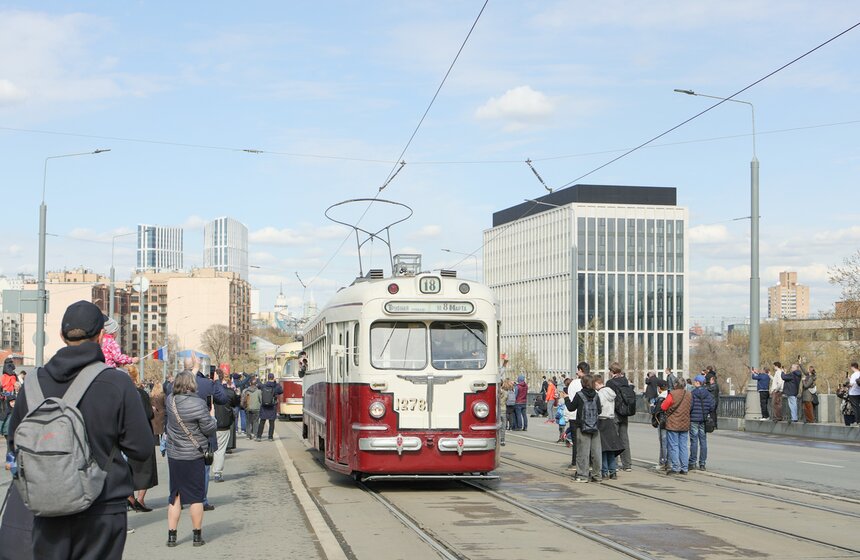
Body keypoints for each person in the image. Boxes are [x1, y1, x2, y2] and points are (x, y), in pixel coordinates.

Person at [6, 300, 153, 559]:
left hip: (46, 505)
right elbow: (141, 447)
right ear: (100, 336)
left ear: (62, 336)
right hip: (102, 507)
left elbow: (15, 444)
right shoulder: (117, 382)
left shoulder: (32, 383)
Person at [165, 370, 217, 547]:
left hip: (175, 455)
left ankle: (172, 537)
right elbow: (209, 429)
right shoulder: (198, 403)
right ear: (192, 384)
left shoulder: (170, 400)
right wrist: (212, 415)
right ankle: (196, 537)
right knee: (196, 496)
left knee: (175, 495)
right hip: (194, 454)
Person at [125, 364, 158, 512]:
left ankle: (130, 498)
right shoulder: (141, 393)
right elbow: (148, 414)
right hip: (142, 434)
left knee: (128, 468)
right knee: (146, 468)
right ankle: (140, 499)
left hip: (125, 435)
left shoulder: (120, 393)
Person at [563, 374, 602, 482]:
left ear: (582, 383)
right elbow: (599, 410)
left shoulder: (579, 395)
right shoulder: (596, 394)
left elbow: (571, 408)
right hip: (595, 427)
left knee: (582, 452)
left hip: (582, 426)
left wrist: (566, 398)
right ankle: (597, 475)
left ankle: (582, 475)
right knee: (596, 452)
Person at [594, 376, 623, 480]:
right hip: (611, 420)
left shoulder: (600, 393)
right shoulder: (611, 392)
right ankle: (613, 471)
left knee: (603, 448)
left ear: (597, 383)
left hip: (602, 420)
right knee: (611, 448)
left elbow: (598, 406)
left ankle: (604, 471)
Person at [605, 362, 633, 472]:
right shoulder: (625, 381)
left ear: (612, 371)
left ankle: (614, 464)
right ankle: (627, 464)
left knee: (613, 438)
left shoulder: (610, 383)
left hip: (614, 412)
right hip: (624, 413)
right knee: (624, 438)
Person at [212, 370, 240, 482]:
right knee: (220, 450)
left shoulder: (208, 391)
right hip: (224, 424)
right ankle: (217, 473)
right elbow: (235, 404)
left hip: (208, 424)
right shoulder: (229, 392)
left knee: (208, 450)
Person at [661, 379, 691, 475]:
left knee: (673, 446)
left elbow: (663, 406)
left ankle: (675, 467)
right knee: (683, 446)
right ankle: (684, 468)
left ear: (676, 385)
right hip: (685, 423)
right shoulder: (689, 394)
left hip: (673, 423)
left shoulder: (672, 394)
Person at [688, 375, 715, 471]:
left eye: (695, 381)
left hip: (694, 420)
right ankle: (702, 463)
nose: (694, 382)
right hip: (703, 420)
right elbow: (712, 407)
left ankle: (692, 462)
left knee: (694, 441)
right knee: (703, 442)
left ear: (697, 382)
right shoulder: (708, 394)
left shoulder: (693, 393)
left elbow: (690, 407)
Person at [256, 373, 283, 441]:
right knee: (271, 422)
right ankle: (270, 437)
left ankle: (259, 436)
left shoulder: (264, 385)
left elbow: (258, 386)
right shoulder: (276, 386)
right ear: (273, 378)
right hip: (272, 406)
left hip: (264, 406)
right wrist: (276, 383)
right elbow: (281, 391)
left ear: (268, 378)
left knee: (262, 422)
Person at [652, 379, 669, 470]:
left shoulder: (660, 398)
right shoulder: (670, 395)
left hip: (662, 422)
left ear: (659, 388)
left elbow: (657, 412)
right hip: (671, 422)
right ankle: (668, 461)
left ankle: (663, 462)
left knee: (663, 442)